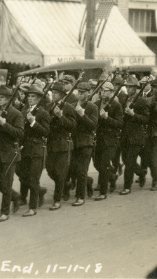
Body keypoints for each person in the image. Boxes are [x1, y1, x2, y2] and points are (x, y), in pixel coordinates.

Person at [0, 85, 24, 222]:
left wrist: (4, 124)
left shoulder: (16, 114)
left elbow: (20, 134)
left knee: (6, 183)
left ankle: (4, 212)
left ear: (9, 99)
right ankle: (15, 197)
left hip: (10, 152)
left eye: (2, 97)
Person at [17, 84, 50, 216]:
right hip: (25, 149)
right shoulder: (23, 111)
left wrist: (33, 123)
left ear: (39, 99)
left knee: (33, 178)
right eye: (29, 96)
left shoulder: (43, 113)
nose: (30, 99)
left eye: (33, 97)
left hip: (37, 149)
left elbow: (46, 132)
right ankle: (39, 191)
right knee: (22, 175)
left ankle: (32, 208)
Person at [45, 82, 76, 210]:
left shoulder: (68, 108)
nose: (53, 95)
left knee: (60, 173)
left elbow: (72, 126)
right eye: (53, 93)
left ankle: (57, 200)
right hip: (51, 143)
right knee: (50, 169)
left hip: (63, 143)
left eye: (56, 93)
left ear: (63, 95)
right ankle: (65, 185)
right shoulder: (48, 106)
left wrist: (61, 116)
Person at [119, 76, 150, 196]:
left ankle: (127, 187)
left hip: (137, 135)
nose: (128, 88)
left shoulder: (142, 101)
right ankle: (141, 173)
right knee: (126, 160)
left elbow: (146, 119)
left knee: (130, 161)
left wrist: (133, 114)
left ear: (136, 88)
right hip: (125, 135)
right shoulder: (124, 99)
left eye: (131, 87)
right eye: (127, 86)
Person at [69, 82, 97, 206]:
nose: (80, 94)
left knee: (81, 170)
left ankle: (80, 197)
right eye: (78, 92)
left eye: (83, 92)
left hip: (86, 142)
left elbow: (93, 125)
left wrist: (82, 114)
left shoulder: (92, 107)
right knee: (72, 169)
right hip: (73, 143)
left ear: (89, 93)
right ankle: (88, 182)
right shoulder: (72, 106)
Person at [93, 82, 123, 201]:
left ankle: (103, 192)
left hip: (111, 139)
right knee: (97, 163)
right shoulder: (96, 104)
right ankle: (112, 176)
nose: (103, 92)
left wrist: (107, 118)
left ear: (111, 92)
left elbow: (119, 124)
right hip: (98, 139)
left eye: (106, 90)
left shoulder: (116, 106)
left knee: (104, 164)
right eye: (102, 90)